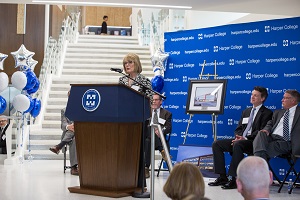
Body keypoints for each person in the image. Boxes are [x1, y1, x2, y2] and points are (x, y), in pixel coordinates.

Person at [208, 86, 272, 189]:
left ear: (262, 98)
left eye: (255, 95)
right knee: (217, 144)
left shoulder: (267, 113)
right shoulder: (246, 111)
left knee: (238, 145)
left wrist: (245, 138)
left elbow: (261, 132)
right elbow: (239, 128)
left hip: (254, 142)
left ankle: (234, 179)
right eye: (252, 94)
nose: (252, 97)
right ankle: (222, 177)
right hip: (241, 140)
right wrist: (239, 136)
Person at [119, 53, 152, 190]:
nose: (127, 65)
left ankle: (140, 176)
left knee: (139, 147)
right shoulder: (121, 80)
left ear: (136, 64)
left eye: (130, 62)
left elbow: (149, 98)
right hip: (124, 118)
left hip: (139, 118)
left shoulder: (144, 81)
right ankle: (125, 175)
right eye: (125, 63)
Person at [253, 90, 300, 161]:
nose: (282, 100)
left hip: (286, 141)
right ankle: (260, 164)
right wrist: (266, 129)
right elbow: (270, 123)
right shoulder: (278, 112)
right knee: (261, 133)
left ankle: (259, 165)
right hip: (271, 137)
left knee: (259, 149)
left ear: (293, 100)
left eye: (285, 98)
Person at [49, 91, 78, 176]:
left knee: (75, 135)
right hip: (69, 135)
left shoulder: (81, 109)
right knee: (73, 135)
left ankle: (59, 146)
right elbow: (63, 125)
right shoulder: (64, 111)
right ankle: (74, 167)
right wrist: (68, 127)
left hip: (79, 134)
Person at [144, 94, 172, 178]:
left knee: (149, 140)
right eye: (152, 99)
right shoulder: (146, 111)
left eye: (156, 100)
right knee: (150, 129)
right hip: (147, 136)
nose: (154, 101)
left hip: (160, 138)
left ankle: (146, 167)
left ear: (160, 102)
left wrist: (161, 131)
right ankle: (162, 150)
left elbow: (169, 128)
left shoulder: (166, 113)